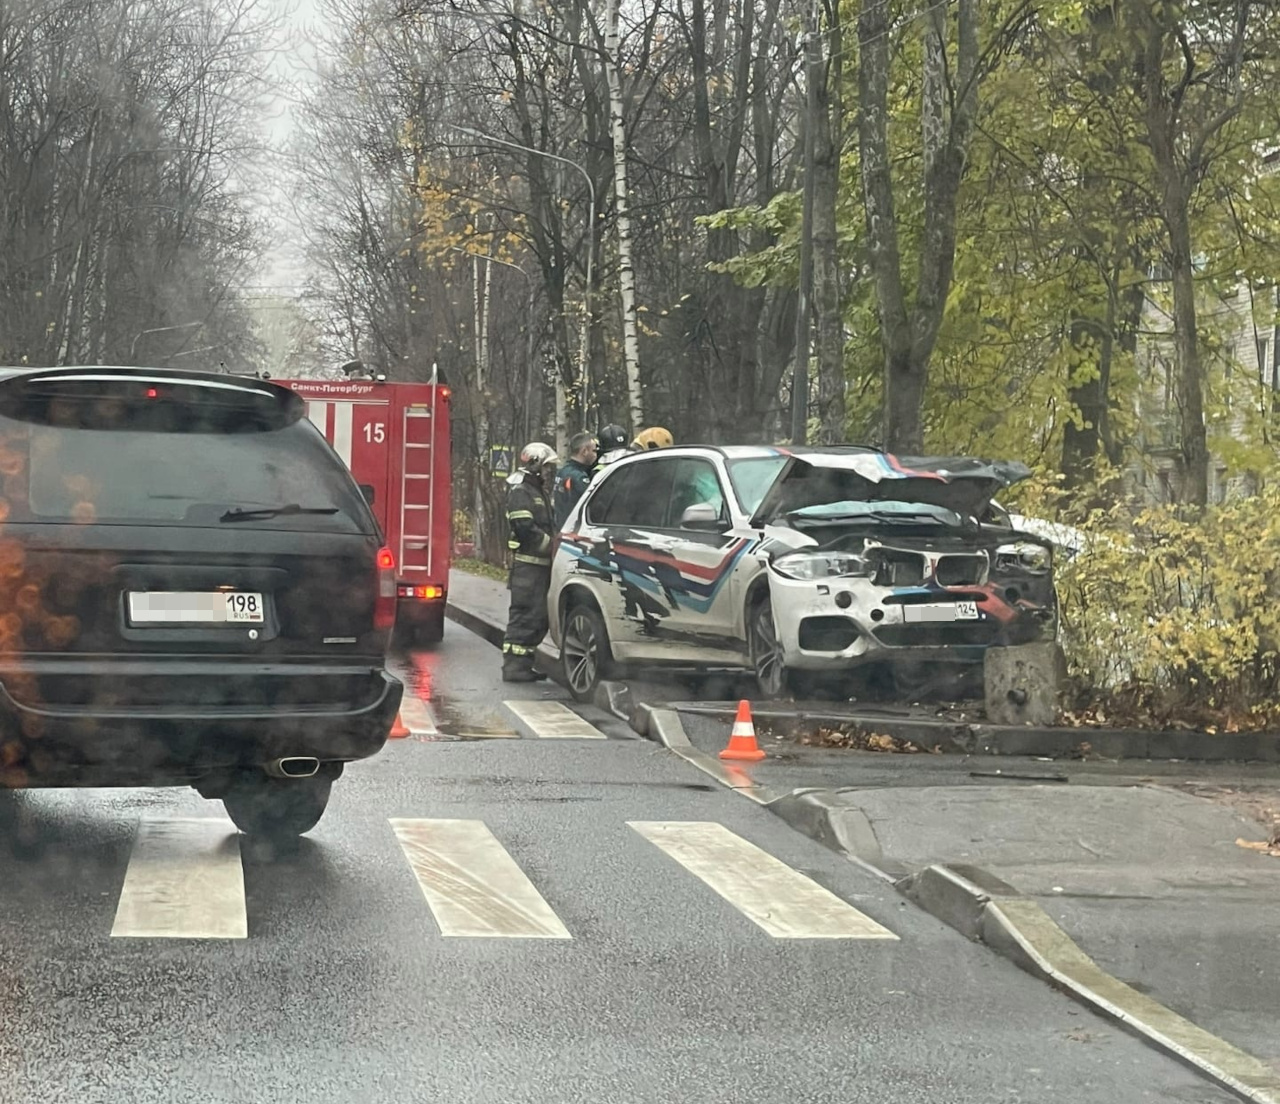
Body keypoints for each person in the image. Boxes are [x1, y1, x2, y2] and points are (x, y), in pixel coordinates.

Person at [502, 441, 558, 682]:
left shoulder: (537, 491)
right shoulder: (521, 491)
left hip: (539, 567)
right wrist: (551, 545)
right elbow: (524, 527)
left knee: (538, 618)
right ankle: (514, 668)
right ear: (535, 464)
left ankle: (524, 664)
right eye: (546, 466)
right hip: (528, 567)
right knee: (525, 617)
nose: (549, 471)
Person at [554, 430, 598, 527]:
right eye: (594, 451)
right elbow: (594, 505)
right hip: (574, 528)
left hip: (561, 525)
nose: (596, 455)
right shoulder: (579, 477)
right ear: (584, 451)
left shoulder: (562, 471)